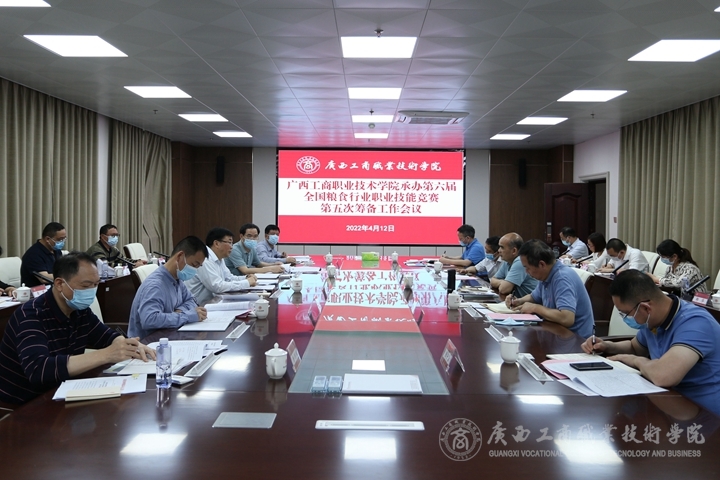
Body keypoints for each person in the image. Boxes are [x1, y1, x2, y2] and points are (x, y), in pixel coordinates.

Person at [0, 252, 156, 405]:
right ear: (59, 284)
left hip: (62, 391)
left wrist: (129, 345)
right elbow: (39, 370)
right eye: (86, 286)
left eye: (96, 284)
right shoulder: (30, 315)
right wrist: (107, 355)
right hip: (24, 404)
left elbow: (106, 336)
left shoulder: (79, 310)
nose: (92, 291)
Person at [582, 270, 720, 416]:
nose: (625, 318)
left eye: (625, 313)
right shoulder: (654, 319)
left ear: (646, 308)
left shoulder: (696, 324)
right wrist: (607, 346)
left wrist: (636, 361)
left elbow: (663, 376)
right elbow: (635, 347)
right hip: (668, 400)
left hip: (704, 413)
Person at [509, 239, 594, 338]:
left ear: (541, 264)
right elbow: (534, 297)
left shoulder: (562, 278)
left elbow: (567, 318)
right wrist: (518, 301)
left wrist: (535, 308)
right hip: (555, 333)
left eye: (527, 268)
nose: (526, 272)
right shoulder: (546, 274)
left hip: (576, 340)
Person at [128, 236, 209, 339]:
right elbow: (149, 319)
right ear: (180, 256)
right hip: (147, 343)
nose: (194, 270)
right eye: (194, 265)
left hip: (168, 336)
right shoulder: (155, 285)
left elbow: (191, 301)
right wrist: (187, 316)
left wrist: (178, 312)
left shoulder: (177, 279)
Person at [185, 227, 258, 305]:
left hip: (214, 302)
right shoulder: (205, 259)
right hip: (199, 306)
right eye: (229, 242)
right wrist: (246, 283)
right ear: (216, 244)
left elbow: (229, 278)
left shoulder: (219, 258)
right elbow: (217, 286)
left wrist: (246, 278)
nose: (231, 247)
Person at [490, 233, 538, 299]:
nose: (499, 250)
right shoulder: (507, 261)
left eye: (502, 247)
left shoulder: (520, 261)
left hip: (530, 302)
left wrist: (504, 283)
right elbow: (492, 280)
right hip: (517, 301)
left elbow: (504, 289)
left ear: (514, 251)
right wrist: (503, 282)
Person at [20, 222, 67, 287]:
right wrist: (67, 277)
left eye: (64, 239)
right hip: (37, 291)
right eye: (59, 239)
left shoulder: (56, 250)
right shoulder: (33, 254)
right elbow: (44, 278)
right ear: (47, 239)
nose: (62, 242)